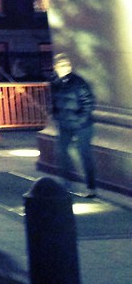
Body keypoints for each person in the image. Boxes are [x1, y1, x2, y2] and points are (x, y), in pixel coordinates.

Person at [51, 53, 96, 197]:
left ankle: (91, 187)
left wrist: (80, 120)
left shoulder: (78, 82)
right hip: (65, 124)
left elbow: (88, 103)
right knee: (62, 153)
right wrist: (56, 115)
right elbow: (54, 103)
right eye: (61, 65)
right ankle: (66, 183)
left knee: (85, 154)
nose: (65, 68)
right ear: (55, 67)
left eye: (67, 65)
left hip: (82, 125)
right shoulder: (55, 84)